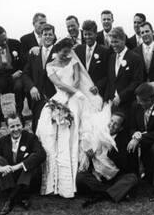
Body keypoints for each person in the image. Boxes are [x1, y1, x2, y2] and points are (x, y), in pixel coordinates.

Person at [36, 38, 115, 199]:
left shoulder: (73, 60)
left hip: (77, 97)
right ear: (57, 50)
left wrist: (77, 92)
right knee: (53, 135)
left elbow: (78, 79)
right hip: (61, 97)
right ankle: (57, 182)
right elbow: (59, 84)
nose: (67, 55)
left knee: (77, 131)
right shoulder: (50, 66)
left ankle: (79, 177)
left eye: (69, 52)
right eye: (64, 52)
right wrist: (69, 94)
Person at [0, 113, 46, 215]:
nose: (16, 129)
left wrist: (19, 166)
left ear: (22, 125)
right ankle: (21, 197)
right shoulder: (3, 141)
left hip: (26, 176)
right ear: (7, 128)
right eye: (12, 126)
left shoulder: (31, 138)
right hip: (10, 177)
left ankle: (10, 200)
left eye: (18, 125)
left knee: (30, 161)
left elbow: (41, 154)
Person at [77, 111, 139, 205]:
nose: (111, 125)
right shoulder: (98, 134)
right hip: (98, 176)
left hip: (114, 176)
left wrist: (111, 149)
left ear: (121, 128)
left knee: (132, 178)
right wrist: (90, 155)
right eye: (111, 121)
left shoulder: (125, 140)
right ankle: (111, 192)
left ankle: (102, 193)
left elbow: (125, 165)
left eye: (116, 124)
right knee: (79, 178)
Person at [22, 23, 57, 132]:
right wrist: (31, 87)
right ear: (41, 36)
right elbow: (25, 74)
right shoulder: (34, 53)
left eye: (50, 34)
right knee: (38, 128)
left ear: (54, 36)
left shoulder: (59, 53)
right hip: (38, 98)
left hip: (54, 97)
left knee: (54, 128)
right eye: (45, 34)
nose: (47, 37)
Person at [104, 26, 144, 115]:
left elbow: (137, 81)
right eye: (112, 42)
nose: (113, 45)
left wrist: (121, 96)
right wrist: (107, 99)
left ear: (123, 40)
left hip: (128, 104)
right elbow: (110, 80)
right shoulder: (111, 58)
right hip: (112, 103)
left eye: (116, 42)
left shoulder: (135, 58)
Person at [74, 19, 110, 97]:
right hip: (82, 93)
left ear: (95, 34)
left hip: (97, 93)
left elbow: (108, 75)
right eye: (85, 34)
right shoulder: (78, 50)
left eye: (90, 34)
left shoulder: (104, 51)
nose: (87, 37)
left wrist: (98, 87)